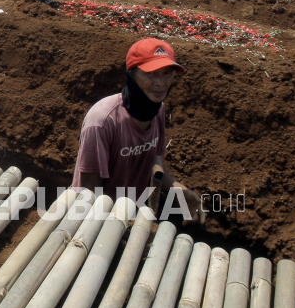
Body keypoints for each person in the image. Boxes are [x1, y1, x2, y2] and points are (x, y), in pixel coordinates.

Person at [71, 38, 205, 224]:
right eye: (151, 74)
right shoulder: (102, 121)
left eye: (167, 73)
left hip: (131, 217)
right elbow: (88, 191)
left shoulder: (158, 110)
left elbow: (152, 161)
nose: (160, 83)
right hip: (95, 219)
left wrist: (180, 192)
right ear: (131, 75)